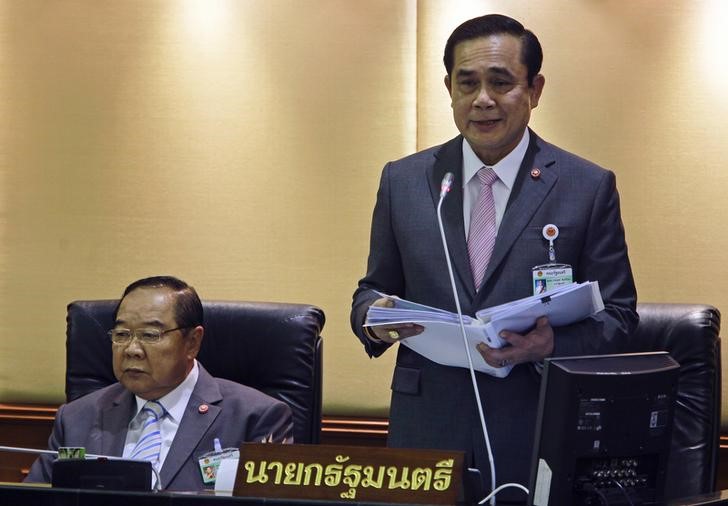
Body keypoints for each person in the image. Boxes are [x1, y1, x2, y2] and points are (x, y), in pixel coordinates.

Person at [350, 14, 637, 503]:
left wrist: (549, 346)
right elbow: (371, 290)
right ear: (450, 89)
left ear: (535, 89)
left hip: (533, 424)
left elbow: (620, 318)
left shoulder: (585, 187)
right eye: (467, 84)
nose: (482, 99)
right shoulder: (406, 181)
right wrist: (374, 320)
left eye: (500, 83)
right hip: (427, 429)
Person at [26, 275, 293, 490]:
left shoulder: (256, 417)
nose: (131, 349)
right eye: (121, 334)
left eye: (150, 334)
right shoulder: (76, 418)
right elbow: (32, 499)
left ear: (192, 342)